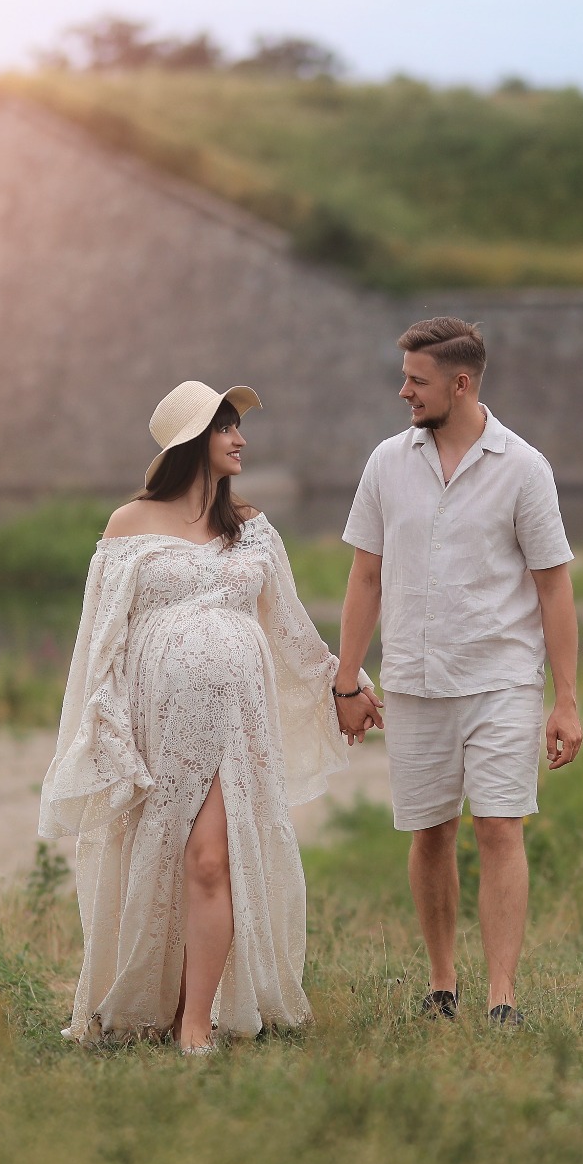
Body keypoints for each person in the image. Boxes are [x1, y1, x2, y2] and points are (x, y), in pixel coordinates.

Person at [38, 380, 360, 1052]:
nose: (240, 439)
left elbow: (291, 627)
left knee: (213, 859)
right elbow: (102, 639)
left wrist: (342, 685)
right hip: (162, 726)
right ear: (192, 441)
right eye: (226, 427)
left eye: (239, 426)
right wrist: (107, 729)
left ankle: (195, 1024)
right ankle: (159, 999)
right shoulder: (129, 524)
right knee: (167, 860)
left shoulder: (253, 528)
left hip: (237, 726)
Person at [334, 318, 582, 1028]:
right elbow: (367, 575)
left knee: (500, 827)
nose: (403, 390)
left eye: (416, 379)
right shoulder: (386, 463)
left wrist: (565, 700)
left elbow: (554, 585)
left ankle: (502, 994)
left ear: (460, 384)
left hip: (501, 678)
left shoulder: (523, 467)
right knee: (430, 833)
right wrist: (347, 679)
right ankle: (443, 984)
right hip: (412, 680)